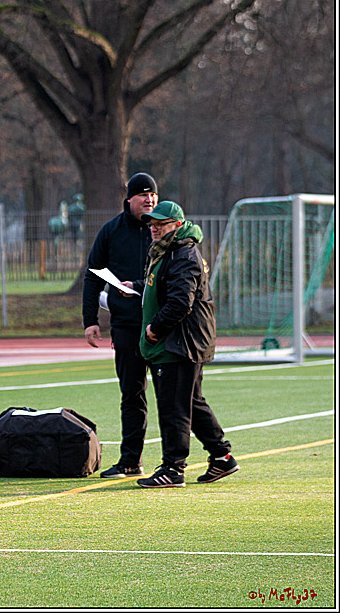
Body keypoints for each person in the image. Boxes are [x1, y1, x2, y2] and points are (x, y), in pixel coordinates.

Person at [136, 201, 238, 488]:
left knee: (174, 407)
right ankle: (222, 456)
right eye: (152, 224)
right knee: (191, 402)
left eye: (161, 224)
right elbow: (166, 287)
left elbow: (181, 300)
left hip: (180, 343)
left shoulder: (183, 253)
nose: (155, 229)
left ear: (177, 225)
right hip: (181, 341)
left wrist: (155, 327)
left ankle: (173, 468)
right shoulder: (169, 251)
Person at [81, 172, 158, 479]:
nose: (149, 200)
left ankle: (174, 462)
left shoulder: (164, 230)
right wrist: (90, 320)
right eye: (143, 195)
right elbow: (93, 276)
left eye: (153, 195)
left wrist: (138, 285)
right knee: (132, 394)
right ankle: (131, 461)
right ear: (129, 200)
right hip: (126, 326)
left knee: (172, 396)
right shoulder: (111, 231)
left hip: (162, 326)